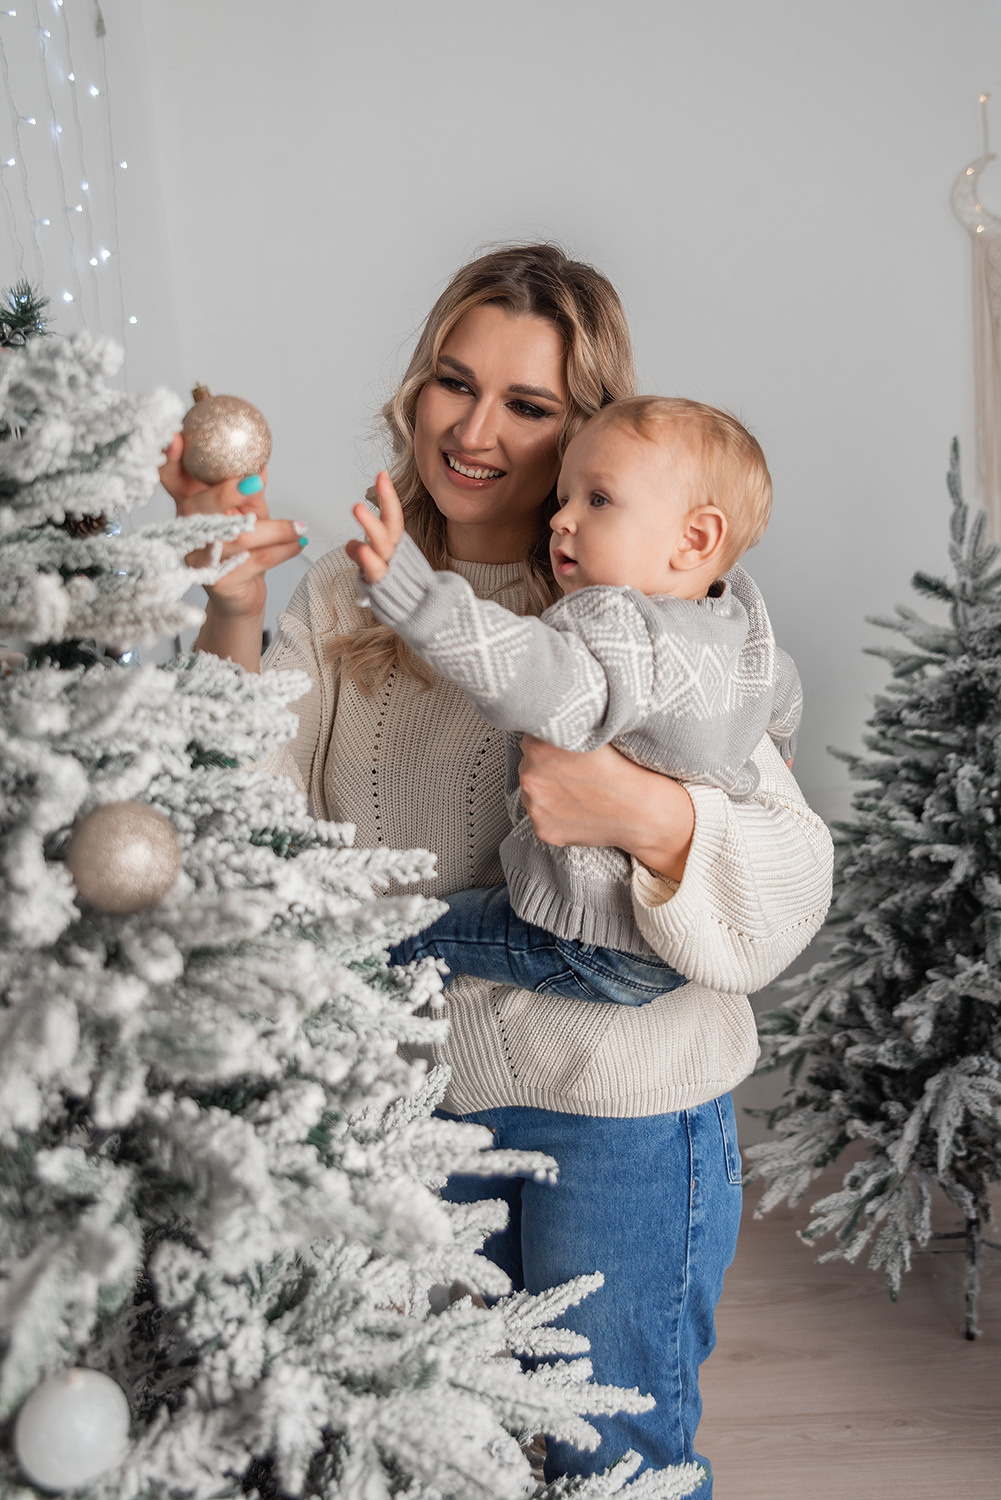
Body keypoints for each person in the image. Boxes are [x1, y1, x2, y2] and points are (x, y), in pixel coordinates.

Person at [161, 244, 833, 1492]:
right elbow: (228, 838)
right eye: (451, 384)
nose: (472, 433)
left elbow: (787, 882)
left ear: (588, 434)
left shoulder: (646, 615)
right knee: (422, 1452)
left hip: (620, 1108)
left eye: (526, 407)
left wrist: (644, 814)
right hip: (404, 1107)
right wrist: (233, 611)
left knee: (608, 1457)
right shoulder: (351, 596)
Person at [349, 396, 802, 1009]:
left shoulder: (617, 626)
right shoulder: (742, 634)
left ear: (694, 538)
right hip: (677, 951)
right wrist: (776, 747)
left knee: (395, 938)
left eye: (598, 500)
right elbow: (784, 695)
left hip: (590, 938)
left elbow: (535, 674)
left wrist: (419, 599)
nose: (562, 519)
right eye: (564, 498)